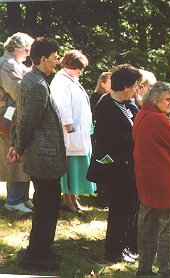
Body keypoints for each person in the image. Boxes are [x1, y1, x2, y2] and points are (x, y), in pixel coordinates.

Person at [7, 37, 65, 271]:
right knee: (47, 208)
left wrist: (15, 144)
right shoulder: (38, 85)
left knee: (46, 205)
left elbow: (18, 118)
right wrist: (18, 148)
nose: (56, 62)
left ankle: (41, 249)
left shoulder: (32, 79)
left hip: (42, 157)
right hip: (44, 158)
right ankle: (36, 256)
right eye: (53, 59)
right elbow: (26, 122)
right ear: (42, 59)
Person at [133, 81, 170, 278]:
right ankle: (165, 272)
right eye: (167, 99)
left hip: (146, 181)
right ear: (155, 98)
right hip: (165, 183)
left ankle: (144, 270)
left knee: (146, 229)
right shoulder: (159, 119)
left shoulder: (141, 115)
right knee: (168, 231)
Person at [91, 64, 141, 263]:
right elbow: (111, 139)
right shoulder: (105, 105)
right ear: (126, 86)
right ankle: (113, 251)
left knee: (130, 209)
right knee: (119, 210)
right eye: (135, 85)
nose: (137, 89)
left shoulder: (129, 104)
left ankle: (125, 246)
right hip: (116, 168)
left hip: (130, 167)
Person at [50, 50, 96, 213]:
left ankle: (74, 199)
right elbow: (63, 107)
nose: (81, 71)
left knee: (76, 169)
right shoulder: (61, 82)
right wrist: (70, 129)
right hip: (69, 133)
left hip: (78, 132)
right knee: (69, 170)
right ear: (69, 65)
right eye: (79, 68)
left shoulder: (72, 80)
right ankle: (67, 201)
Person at [0, 32, 34, 214]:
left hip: (14, 113)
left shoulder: (15, 63)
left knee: (22, 154)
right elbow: (18, 92)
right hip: (9, 114)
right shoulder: (8, 64)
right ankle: (13, 201)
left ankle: (23, 198)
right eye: (27, 50)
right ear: (18, 48)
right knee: (14, 153)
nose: (29, 54)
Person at [90, 71, 112, 206]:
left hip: (106, 136)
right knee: (102, 163)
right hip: (99, 135)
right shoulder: (96, 97)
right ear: (103, 84)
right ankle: (101, 194)